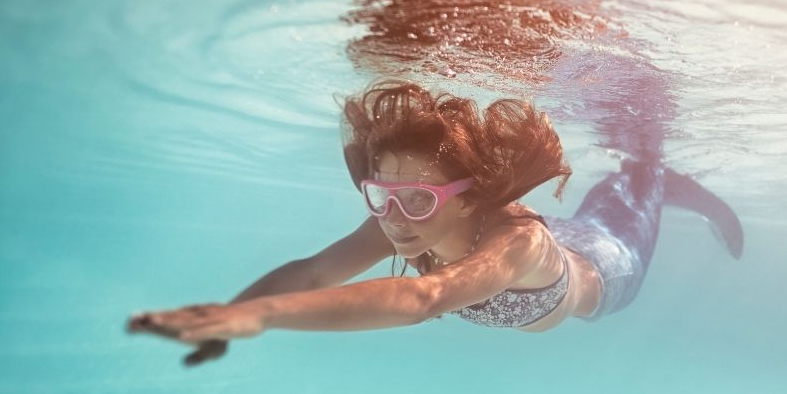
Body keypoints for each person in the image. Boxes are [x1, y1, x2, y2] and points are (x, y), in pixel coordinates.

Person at [127, 80, 743, 365]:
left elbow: (425, 297)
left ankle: (657, 178)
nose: (394, 218)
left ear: (467, 197)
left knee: (629, 192)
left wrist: (259, 317)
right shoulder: (405, 221)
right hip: (553, 233)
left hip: (608, 265)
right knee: (605, 197)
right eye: (380, 195)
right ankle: (643, 177)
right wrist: (228, 317)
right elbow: (316, 270)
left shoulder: (518, 243)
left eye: (417, 199)